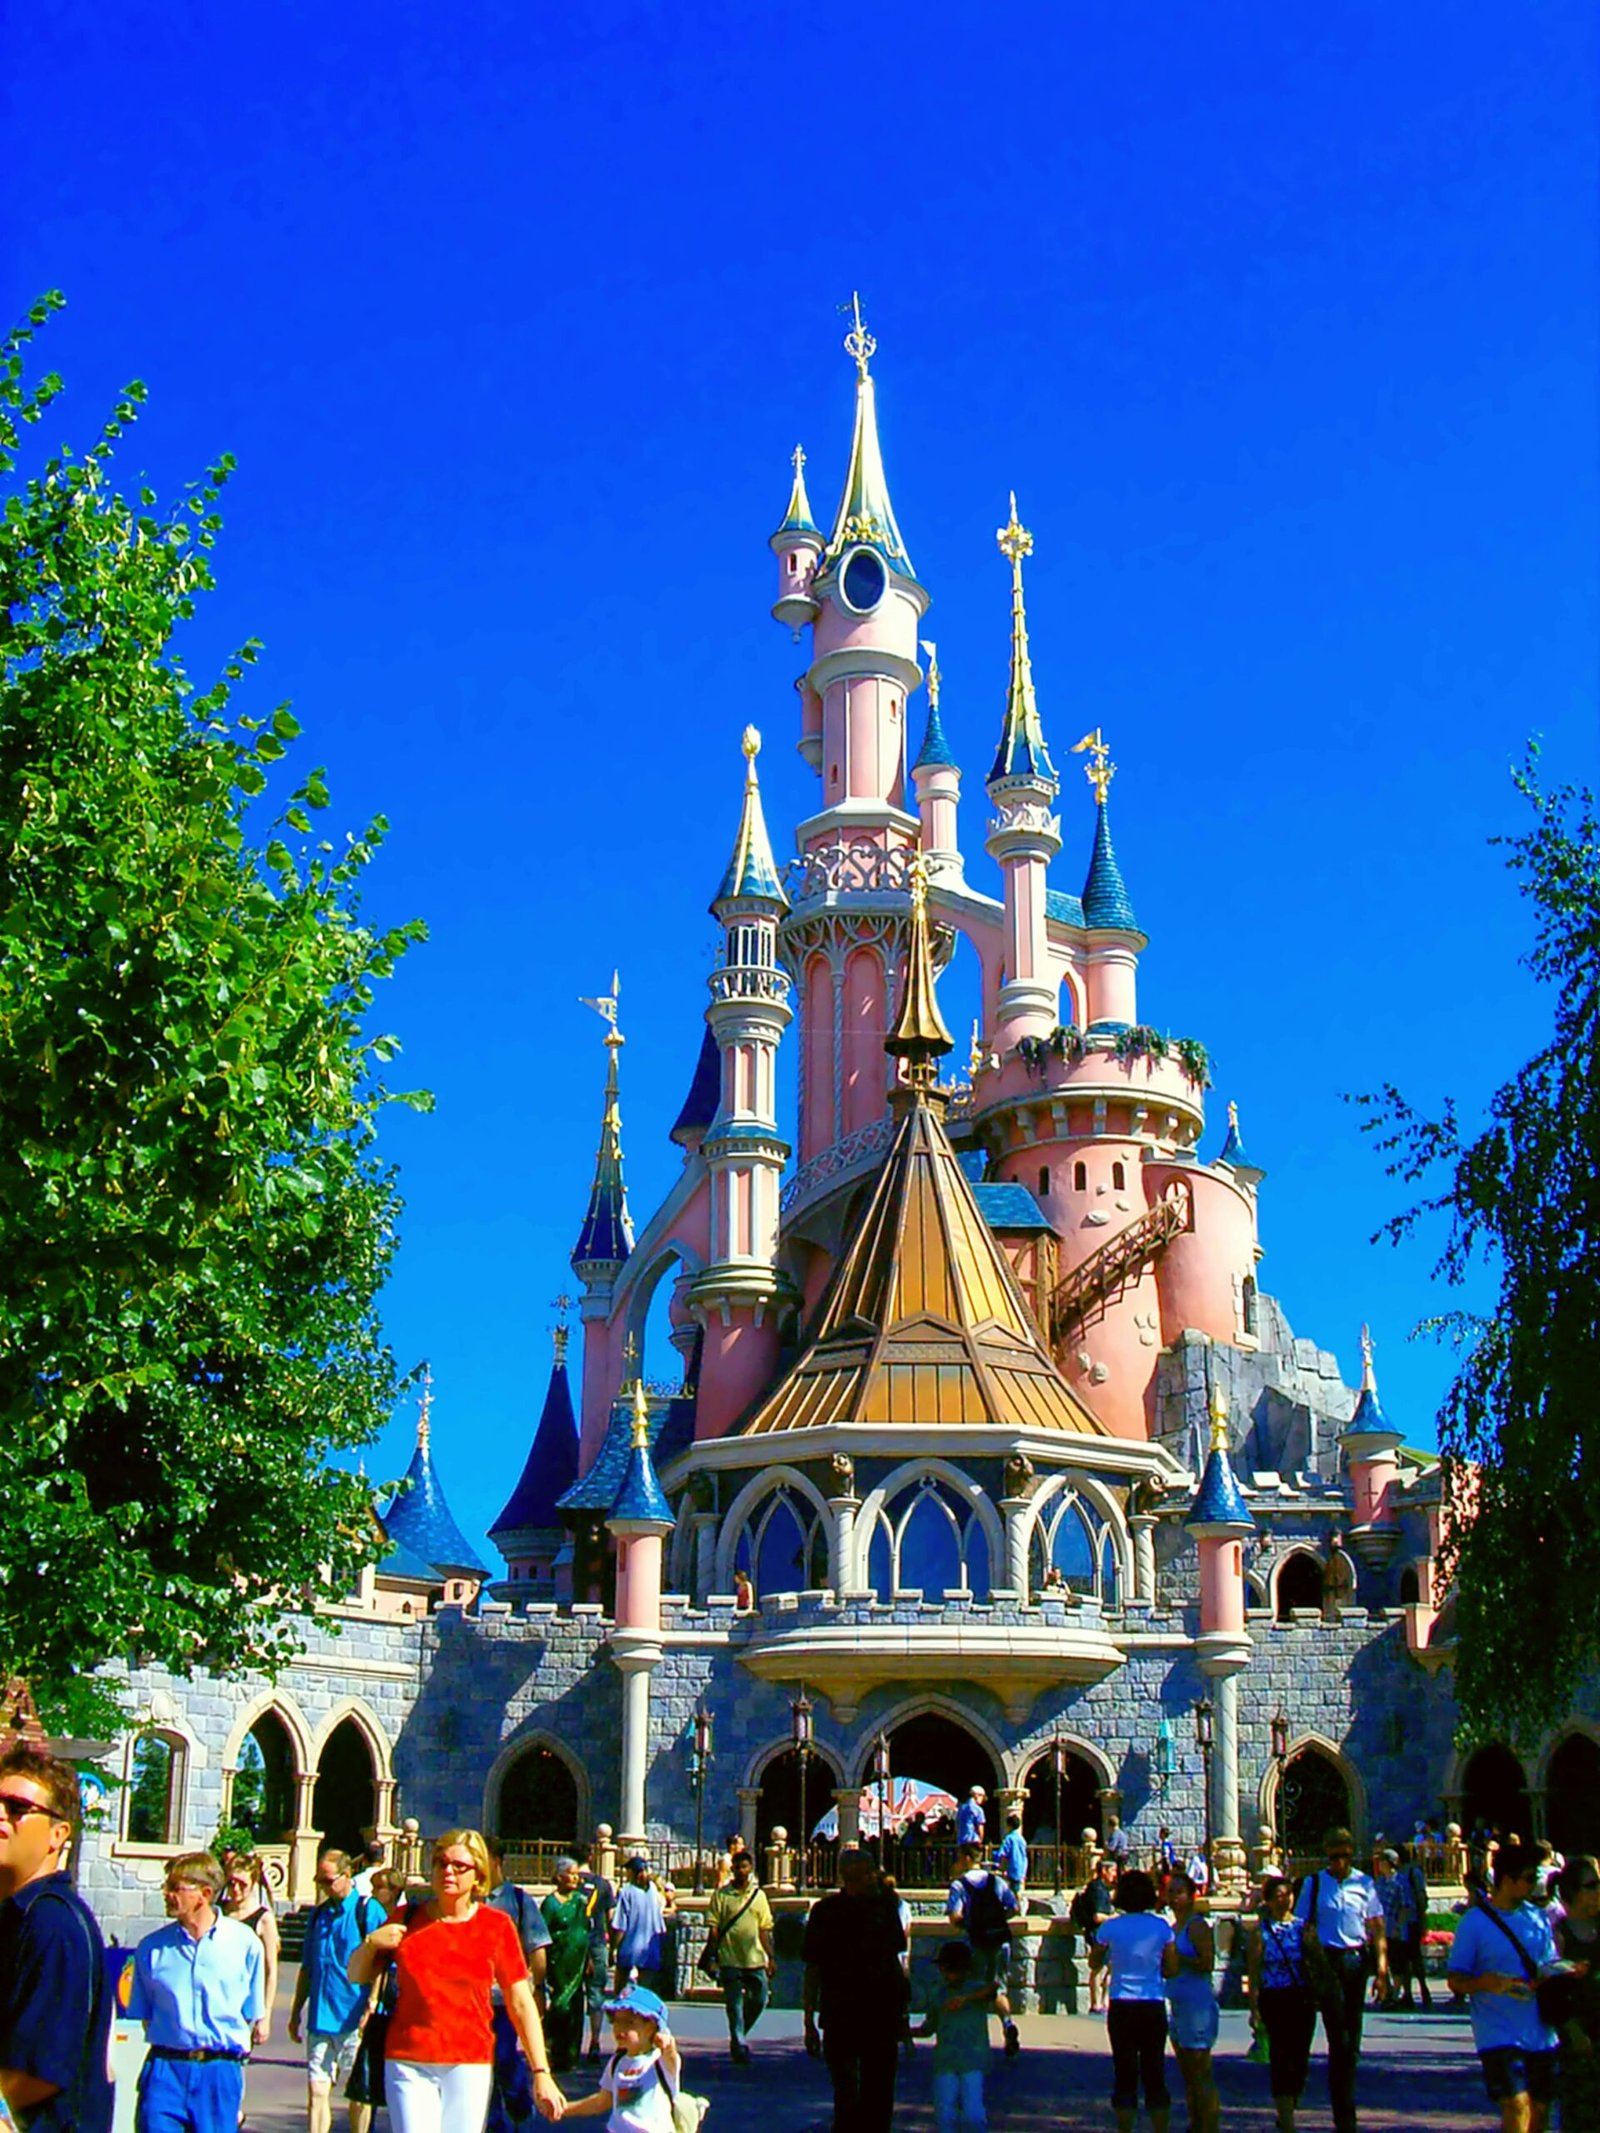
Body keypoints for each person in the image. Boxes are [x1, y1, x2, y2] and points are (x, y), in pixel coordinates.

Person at [347, 1826, 562, 2132]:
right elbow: (356, 1974)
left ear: (478, 1876)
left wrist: (541, 2071)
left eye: (459, 1867)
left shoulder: (496, 1926)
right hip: (408, 2059)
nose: (448, 1872)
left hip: (469, 2061)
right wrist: (371, 1943)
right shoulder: (408, 1918)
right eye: (441, 1863)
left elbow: (521, 2002)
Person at [0, 1745, 113, 2133]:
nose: (0, 1814)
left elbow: (40, 2071)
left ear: (57, 1834)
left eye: (16, 1808)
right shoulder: (15, 1916)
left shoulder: (53, 1922)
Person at [130, 1851, 267, 2133]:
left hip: (219, 2072)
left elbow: (249, 2013)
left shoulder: (245, 1944)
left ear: (204, 1894)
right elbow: (146, 2015)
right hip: (165, 2069)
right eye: (166, 1887)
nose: (166, 1894)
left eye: (175, 1888)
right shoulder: (152, 1949)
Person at [1448, 1840, 1562, 2133]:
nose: (1534, 1885)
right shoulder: (1474, 1923)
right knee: (1517, 2104)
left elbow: (1548, 1963)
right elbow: (1456, 1980)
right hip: (1497, 2031)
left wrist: (1557, 1973)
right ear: (1507, 1880)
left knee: (1540, 2109)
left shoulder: (1536, 1918)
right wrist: (1484, 1983)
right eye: (1528, 1878)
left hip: (1539, 2031)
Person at [802, 1846, 907, 2133]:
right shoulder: (878, 1910)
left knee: (865, 2092)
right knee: (865, 2092)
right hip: (858, 2013)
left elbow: (812, 1969)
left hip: (862, 2013)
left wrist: (809, 2018)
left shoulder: (830, 1911)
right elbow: (898, 1963)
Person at [1295, 1824, 1387, 2133]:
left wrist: (1382, 1969)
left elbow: (1376, 1927)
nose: (1340, 1863)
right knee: (1339, 2035)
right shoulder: (1315, 1884)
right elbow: (1302, 1927)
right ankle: (1343, 2111)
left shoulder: (1364, 1884)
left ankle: (1345, 2087)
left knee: (1352, 2033)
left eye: (1345, 1856)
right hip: (1328, 1961)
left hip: (1355, 1959)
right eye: (1334, 1857)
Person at [290, 1847, 386, 2133]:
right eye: (319, 1881)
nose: (323, 1887)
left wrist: (372, 2002)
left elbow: (383, 1962)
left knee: (358, 2095)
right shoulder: (318, 1915)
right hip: (320, 2018)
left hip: (355, 2018)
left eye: (328, 1880)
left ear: (347, 1876)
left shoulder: (367, 1911)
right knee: (317, 2092)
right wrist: (296, 2011)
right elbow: (308, 1967)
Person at [1089, 1868, 1174, 2133]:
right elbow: (1171, 1968)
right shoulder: (1161, 1926)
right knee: (1154, 2070)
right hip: (1152, 2001)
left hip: (1122, 2002)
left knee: (1124, 2072)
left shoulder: (1110, 1927)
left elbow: (1094, 1962)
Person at [485, 1835, 553, 2129]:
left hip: (505, 1999)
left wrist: (534, 1989)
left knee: (503, 2059)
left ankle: (520, 2107)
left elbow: (537, 1950)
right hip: (472, 2001)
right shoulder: (465, 1901)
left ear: (495, 1862)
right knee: (479, 2066)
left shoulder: (517, 1900)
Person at [1245, 1867, 1318, 2133]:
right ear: (1268, 1899)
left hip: (1301, 1997)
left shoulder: (1302, 1928)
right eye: (1278, 1895)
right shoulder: (1261, 1932)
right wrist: (1254, 2007)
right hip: (1274, 1997)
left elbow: (1314, 1961)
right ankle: (1285, 2114)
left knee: (1299, 2055)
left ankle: (1293, 2096)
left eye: (1288, 1895)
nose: (1284, 1900)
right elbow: (1254, 1971)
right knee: (1280, 2055)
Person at [557, 1983, 684, 2131]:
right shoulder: (617, 2062)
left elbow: (671, 2055)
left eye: (629, 2023)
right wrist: (565, 2109)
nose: (620, 2028)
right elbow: (601, 2102)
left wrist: (667, 2042)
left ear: (651, 2027)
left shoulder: (659, 2061)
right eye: (616, 2021)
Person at [911, 1940, 995, 2133]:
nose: (947, 1974)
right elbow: (928, 2027)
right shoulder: (938, 1993)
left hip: (973, 2061)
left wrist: (965, 1999)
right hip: (945, 2061)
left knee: (974, 2115)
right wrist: (906, 2032)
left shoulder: (976, 1988)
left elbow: (992, 1989)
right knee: (945, 2115)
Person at [946, 1841, 1020, 2056]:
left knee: (974, 1987)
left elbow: (954, 1916)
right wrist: (997, 1922)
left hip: (976, 1943)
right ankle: (1007, 2024)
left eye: (959, 1858)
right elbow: (1014, 1907)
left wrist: (970, 1926)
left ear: (967, 1858)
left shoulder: (959, 1885)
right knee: (998, 1987)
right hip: (1000, 1941)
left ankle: (977, 2038)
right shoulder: (996, 1881)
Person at [704, 1846, 774, 2065]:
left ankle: (741, 2031)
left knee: (760, 1998)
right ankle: (739, 2040)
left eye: (744, 1867)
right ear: (732, 1869)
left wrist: (771, 1956)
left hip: (754, 1958)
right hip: (730, 1958)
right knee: (734, 2003)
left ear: (750, 1868)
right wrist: (713, 1955)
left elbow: (764, 1929)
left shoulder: (759, 1896)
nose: (741, 1871)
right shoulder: (722, 1895)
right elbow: (714, 1928)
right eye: (737, 1867)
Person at [1164, 1869, 1219, 2133]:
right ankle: (1196, 2123)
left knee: (1201, 2071)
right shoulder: (1171, 1928)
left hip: (1197, 2005)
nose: (1174, 1898)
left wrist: (1178, 1956)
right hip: (1177, 2005)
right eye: (1170, 1892)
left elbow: (1206, 1962)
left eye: (1179, 1892)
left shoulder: (1196, 1926)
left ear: (1190, 1895)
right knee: (1187, 2073)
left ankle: (1209, 2125)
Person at [1553, 1855, 1600, 2132]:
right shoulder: (1559, 1937)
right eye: (1591, 1885)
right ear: (1571, 1892)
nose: (1597, 1892)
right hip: (1579, 2042)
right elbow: (1554, 1992)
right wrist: (1571, 2029)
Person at [541, 1858, 597, 2075]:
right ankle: (553, 2051)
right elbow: (543, 1935)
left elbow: (585, 1931)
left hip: (577, 1963)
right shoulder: (550, 1903)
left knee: (575, 2008)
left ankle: (571, 2055)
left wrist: (589, 1958)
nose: (576, 1878)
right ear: (560, 1876)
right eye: (571, 1874)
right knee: (559, 2006)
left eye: (577, 1874)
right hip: (558, 1963)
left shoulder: (580, 1902)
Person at [574, 1840, 616, 2064]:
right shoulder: (603, 1884)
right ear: (591, 1857)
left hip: (575, 1945)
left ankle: (571, 2042)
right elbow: (611, 1919)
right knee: (596, 1994)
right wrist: (613, 1947)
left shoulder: (569, 1884)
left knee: (572, 1994)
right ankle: (595, 2042)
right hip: (597, 1943)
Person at [610, 1858, 673, 1996]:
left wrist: (613, 1949)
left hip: (630, 1948)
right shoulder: (652, 1890)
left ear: (632, 1873)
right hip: (650, 1949)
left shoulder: (626, 1892)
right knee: (645, 1990)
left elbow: (620, 1925)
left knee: (620, 1990)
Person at [1073, 1857, 1120, 2014]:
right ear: (1104, 1871)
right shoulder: (1097, 1889)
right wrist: (1115, 1918)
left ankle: (1105, 2001)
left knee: (1109, 1967)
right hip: (1097, 1933)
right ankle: (1096, 2003)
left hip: (1106, 1934)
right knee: (1098, 1968)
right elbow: (1098, 1916)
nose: (1115, 1874)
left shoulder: (1103, 1889)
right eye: (1113, 1871)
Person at [1373, 1850, 1415, 2008]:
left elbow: (1406, 1906)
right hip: (1381, 1929)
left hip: (1395, 1928)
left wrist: (1399, 1926)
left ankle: (1397, 1995)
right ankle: (1387, 1993)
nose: (1379, 1864)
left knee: (1398, 1964)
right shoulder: (1380, 1882)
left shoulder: (1401, 1881)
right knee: (1386, 1962)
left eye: (1382, 1861)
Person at [1398, 1843, 1434, 2011]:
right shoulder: (1398, 1874)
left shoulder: (1413, 1873)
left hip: (1412, 1920)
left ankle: (1423, 1989)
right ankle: (1408, 1993)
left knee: (1415, 1957)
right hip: (1401, 1922)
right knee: (1404, 1959)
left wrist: (1422, 1919)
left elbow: (1421, 1897)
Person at [995, 1811, 1028, 1897]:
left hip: (1011, 1869)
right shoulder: (1022, 1839)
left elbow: (1003, 1853)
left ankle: (1016, 1908)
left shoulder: (1009, 1838)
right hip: (1021, 1869)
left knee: (1012, 1893)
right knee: (1016, 1890)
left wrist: (1000, 1866)